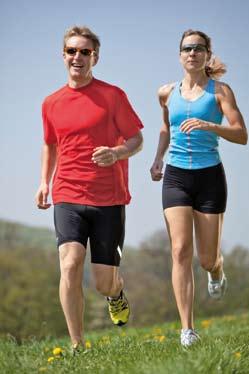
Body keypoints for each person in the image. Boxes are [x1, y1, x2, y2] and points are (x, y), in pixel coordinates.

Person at [35, 25, 143, 350]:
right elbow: (50, 144)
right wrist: (43, 181)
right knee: (69, 263)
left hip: (108, 198)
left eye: (84, 51)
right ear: (63, 55)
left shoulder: (113, 96)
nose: (77, 57)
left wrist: (117, 152)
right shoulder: (51, 103)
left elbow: (136, 139)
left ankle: (116, 294)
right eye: (71, 51)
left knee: (103, 283)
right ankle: (78, 344)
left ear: (95, 56)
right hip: (67, 192)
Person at [150, 29, 247, 347]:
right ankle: (187, 329)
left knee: (206, 258)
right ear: (180, 55)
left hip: (209, 178)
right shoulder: (166, 92)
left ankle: (216, 270)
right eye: (187, 48)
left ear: (207, 55)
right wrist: (157, 158)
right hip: (176, 175)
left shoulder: (220, 91)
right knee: (179, 251)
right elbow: (167, 126)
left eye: (199, 48)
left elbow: (241, 134)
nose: (192, 53)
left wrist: (210, 125)